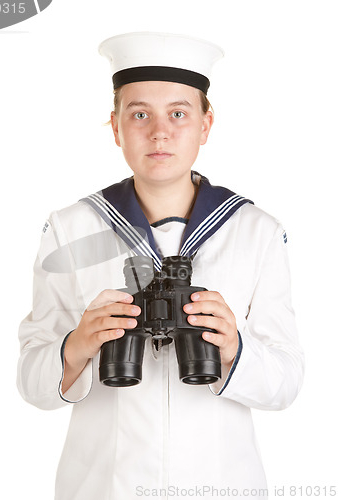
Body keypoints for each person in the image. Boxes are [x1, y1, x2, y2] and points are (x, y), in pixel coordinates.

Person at [17, 32, 304, 500]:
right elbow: (31, 380)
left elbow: (287, 382)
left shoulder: (255, 231)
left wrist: (233, 349)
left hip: (222, 486)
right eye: (139, 114)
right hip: (102, 489)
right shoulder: (70, 228)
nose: (159, 132)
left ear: (206, 125)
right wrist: (77, 347)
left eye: (178, 113)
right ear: (114, 127)